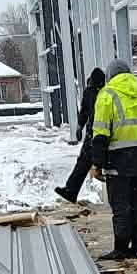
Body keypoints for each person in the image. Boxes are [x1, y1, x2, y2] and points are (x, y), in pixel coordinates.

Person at [89, 57, 137, 261]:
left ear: (109, 76)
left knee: (120, 206)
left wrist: (96, 164)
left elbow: (100, 134)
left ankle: (121, 249)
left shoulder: (107, 94)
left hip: (118, 158)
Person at [55, 65, 107, 205]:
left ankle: (71, 190)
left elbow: (84, 112)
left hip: (95, 133)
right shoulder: (99, 92)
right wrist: (79, 127)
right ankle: (71, 190)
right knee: (86, 161)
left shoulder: (93, 93)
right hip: (100, 133)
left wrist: (80, 127)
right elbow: (85, 112)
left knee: (84, 162)